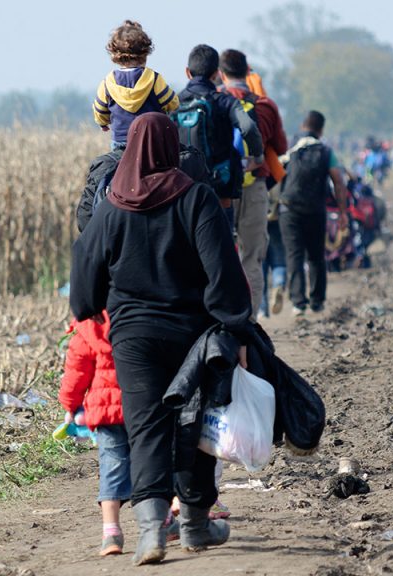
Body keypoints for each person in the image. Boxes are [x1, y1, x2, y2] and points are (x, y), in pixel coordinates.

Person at [70, 113, 252, 566]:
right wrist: (235, 326)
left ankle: (152, 531)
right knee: (195, 424)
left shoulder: (112, 206)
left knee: (146, 427)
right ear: (173, 148)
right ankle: (193, 523)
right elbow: (223, 271)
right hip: (193, 335)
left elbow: (84, 264)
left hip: (132, 339)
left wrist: (89, 306)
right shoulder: (197, 199)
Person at [218, 49, 288, 319]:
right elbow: (281, 146)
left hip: (223, 190)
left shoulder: (216, 102)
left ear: (221, 74)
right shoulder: (265, 106)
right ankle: (249, 324)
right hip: (256, 185)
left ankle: (225, 322)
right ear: (248, 72)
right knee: (252, 259)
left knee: (223, 257)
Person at [57, 313, 132, 557]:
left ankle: (111, 533)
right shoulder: (137, 313)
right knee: (148, 464)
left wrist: (70, 404)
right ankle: (162, 521)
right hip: (139, 405)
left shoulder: (87, 326)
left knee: (111, 468)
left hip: (104, 411)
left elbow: (76, 373)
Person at [178, 44, 263, 231]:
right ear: (217, 74)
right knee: (222, 246)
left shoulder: (174, 103)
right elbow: (248, 127)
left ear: (187, 72)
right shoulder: (224, 102)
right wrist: (258, 157)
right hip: (220, 187)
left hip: (184, 188)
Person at [278, 111, 350, 316]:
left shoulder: (290, 146)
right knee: (316, 255)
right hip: (315, 210)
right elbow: (338, 181)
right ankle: (317, 301)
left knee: (294, 255)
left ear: (303, 126)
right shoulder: (326, 151)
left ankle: (298, 302)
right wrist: (343, 212)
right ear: (321, 129)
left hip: (289, 209)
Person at [93, 20, 180, 148]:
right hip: (152, 139)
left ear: (114, 55)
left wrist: (103, 123)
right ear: (145, 53)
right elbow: (173, 103)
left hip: (121, 141)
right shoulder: (154, 79)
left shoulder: (107, 83)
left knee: (117, 167)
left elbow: (99, 111)